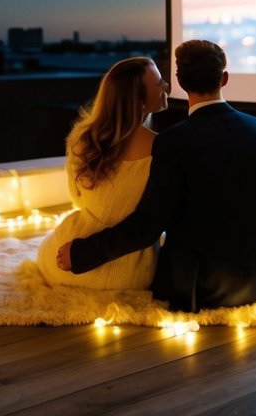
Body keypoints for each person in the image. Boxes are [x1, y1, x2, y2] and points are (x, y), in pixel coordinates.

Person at [57, 40, 256, 312]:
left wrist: (83, 253)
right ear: (224, 79)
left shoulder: (171, 143)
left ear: (179, 83)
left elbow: (147, 225)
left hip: (200, 283)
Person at [36, 56, 170, 290]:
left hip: (67, 260)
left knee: (45, 245)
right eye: (158, 82)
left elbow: (77, 198)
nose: (166, 86)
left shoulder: (82, 138)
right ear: (138, 100)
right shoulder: (163, 148)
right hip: (132, 273)